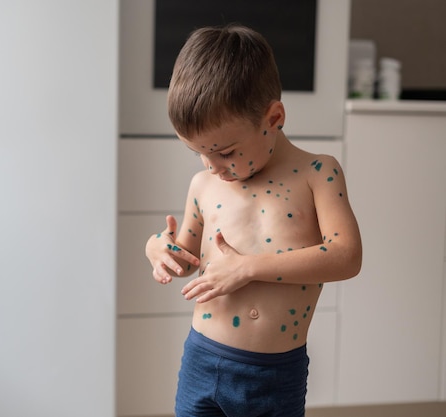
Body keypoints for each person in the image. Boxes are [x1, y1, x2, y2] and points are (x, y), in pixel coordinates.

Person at [145, 25, 362, 417]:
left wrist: (248, 268)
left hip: (273, 374)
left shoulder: (318, 174)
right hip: (201, 357)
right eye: (198, 153)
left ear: (273, 117)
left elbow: (346, 256)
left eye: (225, 151)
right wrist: (159, 249)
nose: (213, 166)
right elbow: (185, 259)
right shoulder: (203, 185)